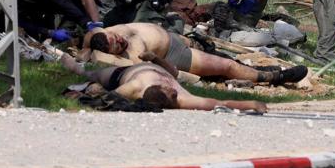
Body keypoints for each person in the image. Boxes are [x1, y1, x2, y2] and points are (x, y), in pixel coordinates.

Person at [84, 22, 308, 85]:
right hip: (173, 56)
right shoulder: (131, 58)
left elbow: (88, 38)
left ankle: (255, 70)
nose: (120, 40)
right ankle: (275, 77)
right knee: (226, 67)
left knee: (222, 55)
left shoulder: (103, 33)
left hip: (174, 38)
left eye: (116, 39)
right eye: (118, 45)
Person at [59, 53, 267, 113]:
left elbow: (109, 96)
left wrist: (90, 93)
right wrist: (249, 104)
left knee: (89, 74)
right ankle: (73, 63)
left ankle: (66, 59)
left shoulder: (135, 87)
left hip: (121, 74)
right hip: (137, 69)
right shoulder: (179, 99)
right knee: (89, 74)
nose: (173, 88)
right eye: (173, 93)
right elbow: (215, 103)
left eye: (169, 91)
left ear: (158, 88)